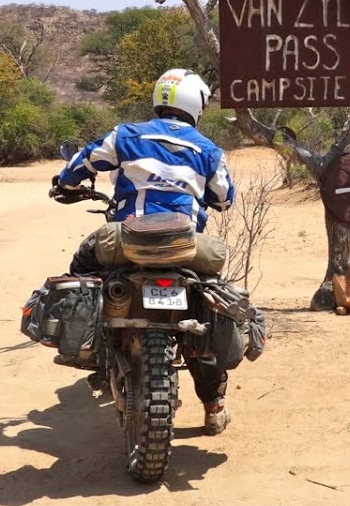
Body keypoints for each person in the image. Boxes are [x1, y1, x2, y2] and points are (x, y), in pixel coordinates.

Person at [50, 68, 239, 435]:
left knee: (83, 267)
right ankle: (214, 406)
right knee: (207, 308)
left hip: (127, 242)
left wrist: (65, 182)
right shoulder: (209, 150)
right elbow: (225, 199)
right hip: (185, 248)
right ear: (196, 105)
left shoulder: (126, 135)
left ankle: (85, 344)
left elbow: (80, 164)